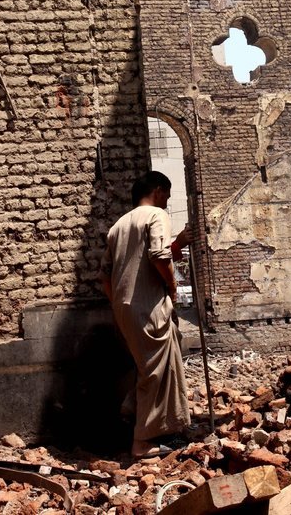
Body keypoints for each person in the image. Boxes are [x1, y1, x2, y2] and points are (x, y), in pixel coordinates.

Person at [101, 170, 192, 458]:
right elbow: (158, 256)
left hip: (125, 308)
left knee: (153, 364)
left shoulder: (118, 225)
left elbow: (105, 274)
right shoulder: (156, 215)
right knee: (156, 372)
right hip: (148, 305)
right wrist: (173, 285)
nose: (167, 201)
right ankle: (143, 441)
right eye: (166, 194)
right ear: (158, 190)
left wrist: (119, 301)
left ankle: (133, 409)